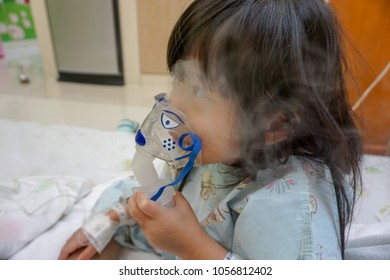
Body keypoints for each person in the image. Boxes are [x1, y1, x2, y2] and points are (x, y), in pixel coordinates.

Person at [59, 0, 362, 260]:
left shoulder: (287, 208)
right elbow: (157, 188)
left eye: (199, 90)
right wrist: (110, 221)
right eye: (178, 78)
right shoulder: (213, 149)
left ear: (275, 123)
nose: (174, 103)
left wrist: (194, 248)